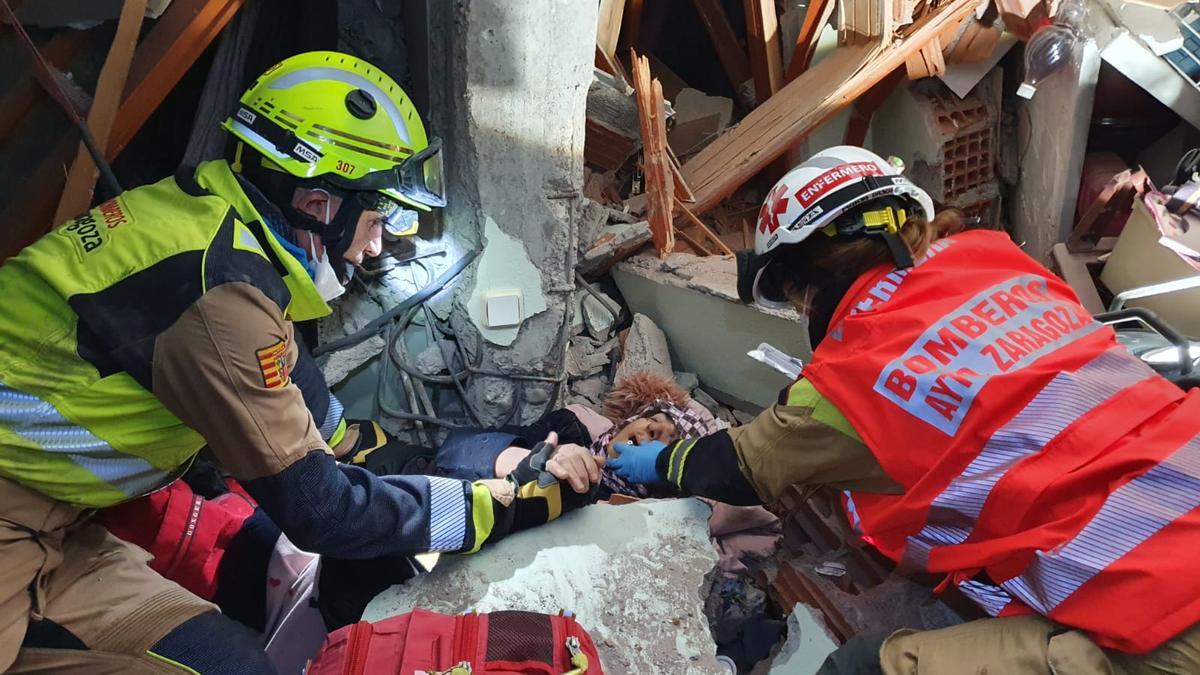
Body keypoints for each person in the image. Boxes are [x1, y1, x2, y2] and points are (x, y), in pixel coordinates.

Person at [0, 51, 598, 674]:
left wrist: (510, 456)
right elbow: (323, 511)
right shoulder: (223, 303)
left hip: (59, 524)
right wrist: (499, 508)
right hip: (15, 522)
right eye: (379, 219)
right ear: (318, 204)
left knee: (237, 660)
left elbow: (343, 438)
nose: (377, 247)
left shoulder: (221, 235)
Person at [607, 145, 1200, 674]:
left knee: (864, 665)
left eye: (790, 292)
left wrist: (662, 463)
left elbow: (742, 466)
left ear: (807, 272)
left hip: (1156, 605)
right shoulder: (1003, 266)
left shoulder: (856, 374)